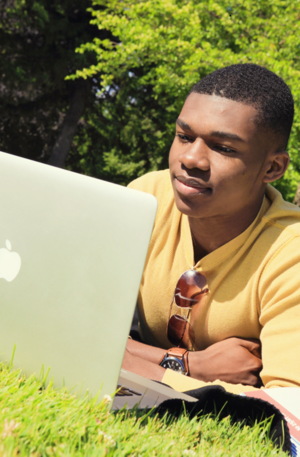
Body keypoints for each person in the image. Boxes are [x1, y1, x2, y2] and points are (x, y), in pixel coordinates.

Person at [122, 63, 300, 394]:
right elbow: (67, 322)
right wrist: (189, 367)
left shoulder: (291, 253)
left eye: (223, 148)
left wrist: (130, 362)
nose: (191, 159)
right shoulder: (146, 198)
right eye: (184, 136)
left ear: (272, 168)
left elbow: (289, 407)